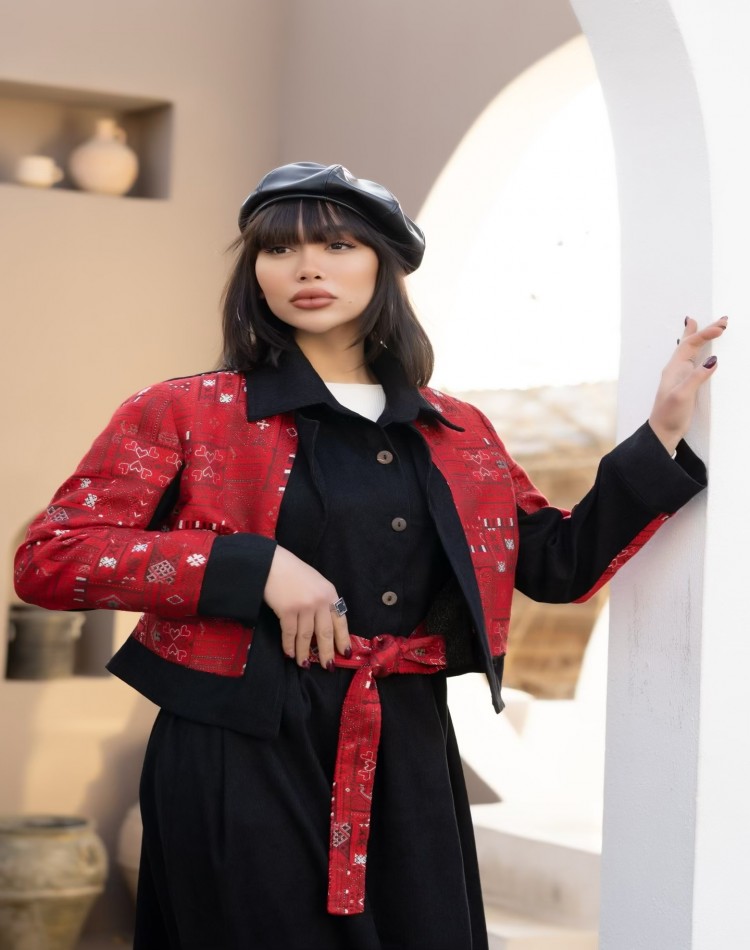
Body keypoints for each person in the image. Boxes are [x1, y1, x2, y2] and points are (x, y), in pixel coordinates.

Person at [14, 162, 726, 950]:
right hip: (239, 748)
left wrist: (663, 431)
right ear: (256, 273)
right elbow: (54, 556)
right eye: (279, 249)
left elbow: (558, 564)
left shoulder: (456, 431)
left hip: (407, 752)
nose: (307, 266)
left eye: (337, 245)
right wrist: (255, 567)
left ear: (384, 266)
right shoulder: (185, 410)